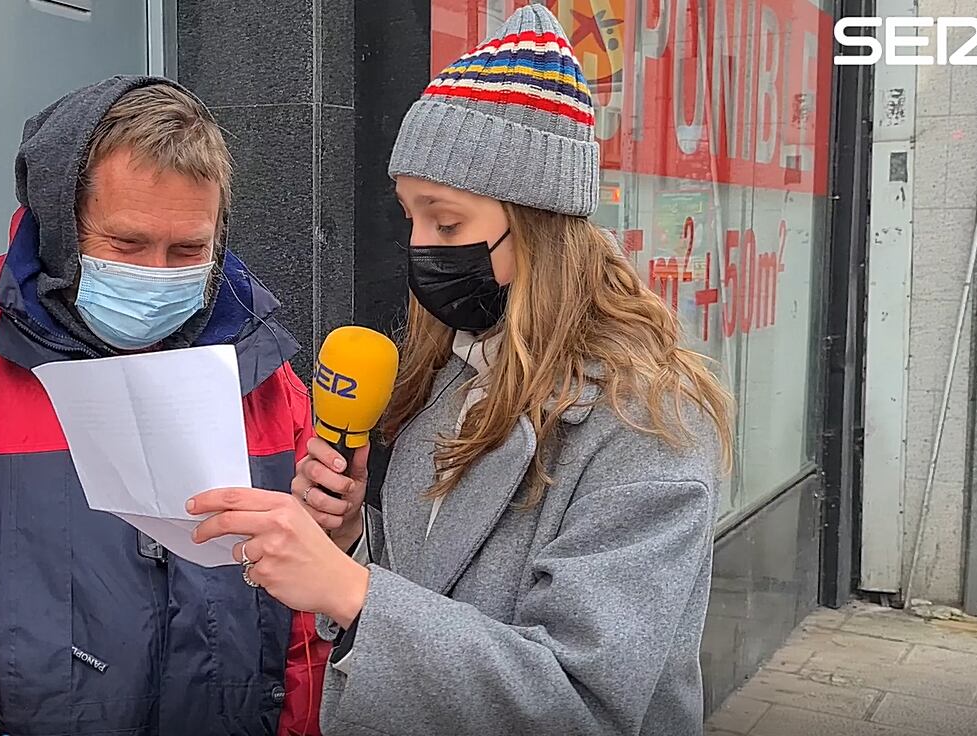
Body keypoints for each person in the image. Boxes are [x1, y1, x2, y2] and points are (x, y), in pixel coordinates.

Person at [187, 7, 733, 736]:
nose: (420, 248)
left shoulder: (647, 424)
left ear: (539, 225)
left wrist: (352, 591)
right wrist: (352, 537)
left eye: (446, 223)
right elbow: (436, 585)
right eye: (411, 217)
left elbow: (586, 703)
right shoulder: (454, 374)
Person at [0, 76, 327, 736]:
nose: (160, 273)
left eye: (188, 250)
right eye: (127, 245)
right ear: (61, 226)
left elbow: (305, 631)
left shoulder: (258, 366)